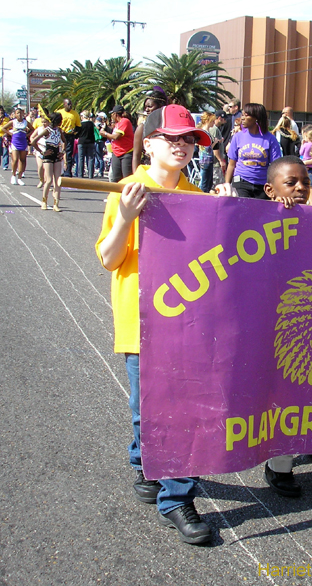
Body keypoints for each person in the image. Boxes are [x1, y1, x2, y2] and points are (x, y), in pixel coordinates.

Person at [96, 104, 216, 544]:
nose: (180, 145)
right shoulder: (125, 189)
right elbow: (109, 259)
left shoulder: (200, 199)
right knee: (144, 413)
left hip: (188, 328)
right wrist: (126, 216)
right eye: (171, 137)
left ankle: (175, 498)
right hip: (139, 323)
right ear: (147, 143)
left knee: (179, 414)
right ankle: (144, 462)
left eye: (188, 139)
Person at [260, 156, 312, 497]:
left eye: (304, 182)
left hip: (310, 325)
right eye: (290, 183)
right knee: (277, 393)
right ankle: (278, 465)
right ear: (270, 190)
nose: (299, 189)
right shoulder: (259, 218)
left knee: (306, 390)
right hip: (270, 323)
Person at [224, 102, 282, 198]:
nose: (242, 118)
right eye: (242, 115)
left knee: (260, 212)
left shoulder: (270, 139)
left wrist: (276, 188)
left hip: (262, 185)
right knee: (243, 210)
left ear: (256, 118)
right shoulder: (238, 137)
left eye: (246, 115)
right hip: (241, 182)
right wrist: (227, 184)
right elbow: (231, 164)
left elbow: (276, 166)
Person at [31, 112, 66, 212]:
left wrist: (62, 152)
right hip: (48, 156)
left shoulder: (59, 130)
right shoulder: (47, 130)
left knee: (58, 181)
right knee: (49, 180)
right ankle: (44, 201)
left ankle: (56, 204)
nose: (61, 122)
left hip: (57, 155)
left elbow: (65, 142)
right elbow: (33, 142)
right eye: (60, 120)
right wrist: (42, 152)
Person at [131, 87, 170, 174]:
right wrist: (136, 177)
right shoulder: (142, 128)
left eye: (150, 106)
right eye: (145, 107)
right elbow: (136, 156)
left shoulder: (170, 127)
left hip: (169, 173)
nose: (146, 110)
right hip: (149, 172)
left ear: (161, 106)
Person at [101, 104, 134, 183]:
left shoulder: (125, 121)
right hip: (116, 152)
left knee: (127, 178)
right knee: (116, 178)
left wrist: (105, 134)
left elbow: (116, 136)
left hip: (126, 152)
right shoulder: (117, 124)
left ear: (115, 114)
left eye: (112, 114)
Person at [3, 108, 34, 186]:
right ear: (15, 114)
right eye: (18, 113)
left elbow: (32, 129)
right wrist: (10, 134)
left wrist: (27, 135)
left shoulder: (25, 122)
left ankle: (20, 177)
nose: (19, 115)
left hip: (23, 142)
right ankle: (13, 176)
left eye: (21, 113)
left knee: (23, 160)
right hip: (15, 142)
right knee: (15, 159)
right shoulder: (13, 122)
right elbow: (3, 128)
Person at [57, 98, 81, 177]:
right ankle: (59, 170)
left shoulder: (75, 114)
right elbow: (54, 123)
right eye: (68, 104)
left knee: (69, 153)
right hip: (60, 135)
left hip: (69, 135)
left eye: (71, 104)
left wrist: (75, 131)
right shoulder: (59, 112)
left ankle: (68, 171)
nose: (70, 106)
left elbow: (78, 126)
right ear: (64, 104)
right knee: (59, 152)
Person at [196, 112, 216, 192]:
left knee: (208, 183)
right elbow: (207, 148)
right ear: (208, 121)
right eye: (212, 121)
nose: (213, 123)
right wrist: (215, 142)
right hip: (205, 160)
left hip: (208, 160)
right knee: (205, 184)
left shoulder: (206, 132)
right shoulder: (204, 132)